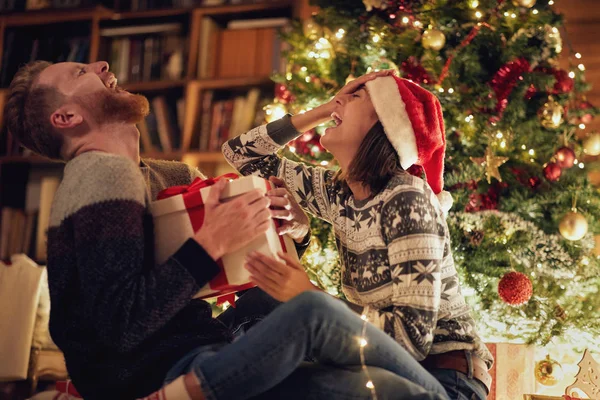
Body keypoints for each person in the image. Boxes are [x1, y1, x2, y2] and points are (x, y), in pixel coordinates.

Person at [5, 61, 449, 400]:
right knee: (331, 332)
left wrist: (289, 229)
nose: (102, 66)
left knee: (385, 386)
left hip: (205, 344)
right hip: (155, 369)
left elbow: (229, 269)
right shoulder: (98, 175)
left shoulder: (169, 174)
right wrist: (211, 239)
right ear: (65, 118)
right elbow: (121, 324)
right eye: (82, 71)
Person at [223, 72, 495, 400]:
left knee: (290, 371)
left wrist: (309, 295)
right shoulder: (338, 192)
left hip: (446, 380)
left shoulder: (407, 198)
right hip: (377, 367)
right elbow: (241, 154)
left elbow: (412, 340)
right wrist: (323, 110)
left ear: (384, 126)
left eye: (356, 97)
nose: (342, 98)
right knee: (258, 307)